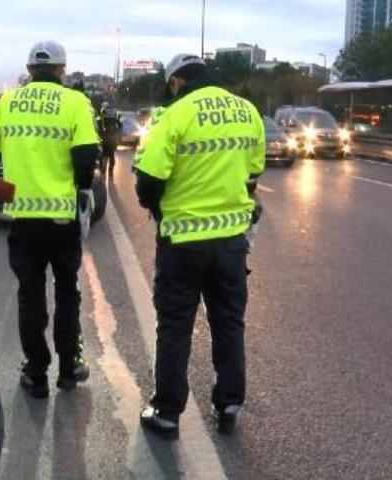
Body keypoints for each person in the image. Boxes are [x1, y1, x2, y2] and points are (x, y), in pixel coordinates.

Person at [133, 54, 265, 438]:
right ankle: (229, 404)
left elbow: (149, 180)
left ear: (176, 81)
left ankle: (167, 412)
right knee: (229, 322)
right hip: (230, 242)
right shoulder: (247, 111)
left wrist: (157, 208)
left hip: (183, 243)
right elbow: (253, 172)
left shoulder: (174, 114)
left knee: (175, 325)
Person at [0, 41, 100, 399]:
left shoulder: (7, 103)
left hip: (23, 216)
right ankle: (69, 369)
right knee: (67, 293)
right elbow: (87, 155)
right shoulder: (75, 103)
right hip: (60, 217)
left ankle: (36, 372)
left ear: (29, 69)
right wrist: (82, 193)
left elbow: (1, 152)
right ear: (61, 70)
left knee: (30, 295)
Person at [99, 102, 122, 175]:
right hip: (108, 140)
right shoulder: (107, 119)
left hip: (108, 140)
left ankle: (107, 170)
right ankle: (107, 170)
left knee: (106, 155)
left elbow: (119, 128)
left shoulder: (108, 119)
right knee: (108, 155)